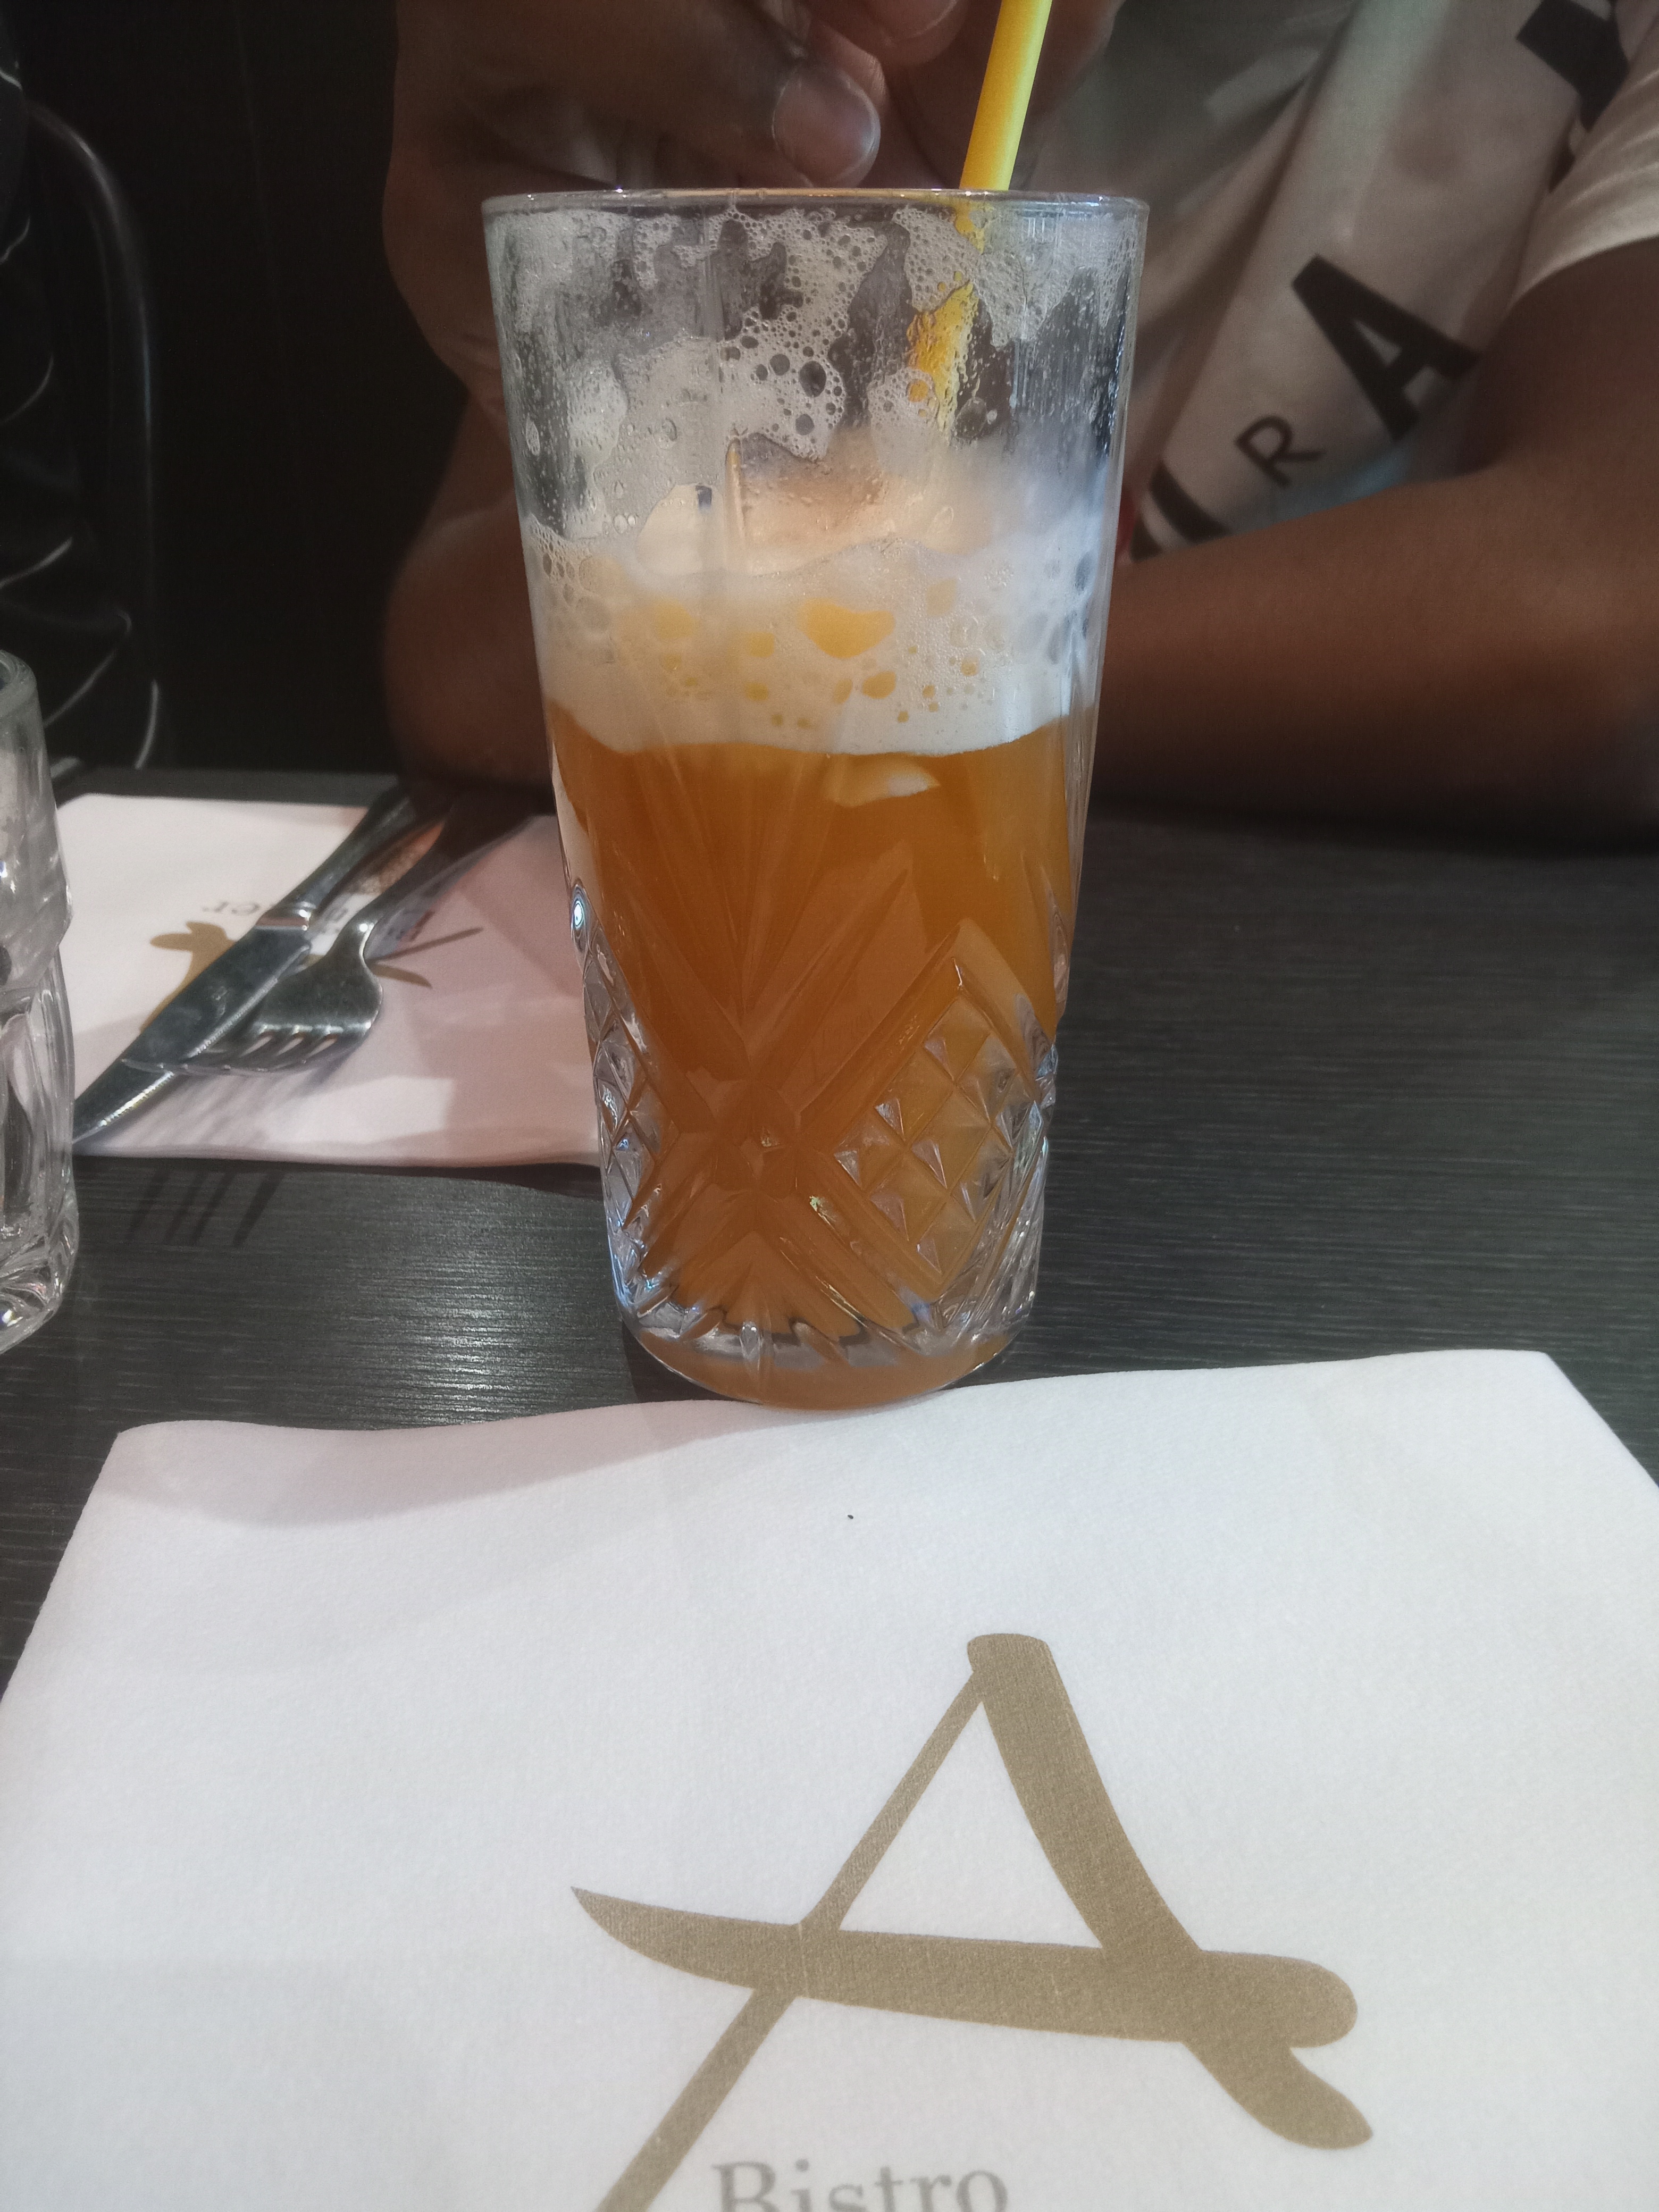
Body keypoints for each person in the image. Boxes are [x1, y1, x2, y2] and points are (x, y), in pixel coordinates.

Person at [383, 0, 1659, 834]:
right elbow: (458, 669)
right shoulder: (782, 43)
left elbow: (1611, 626)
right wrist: (646, 333)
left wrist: (900, 655)